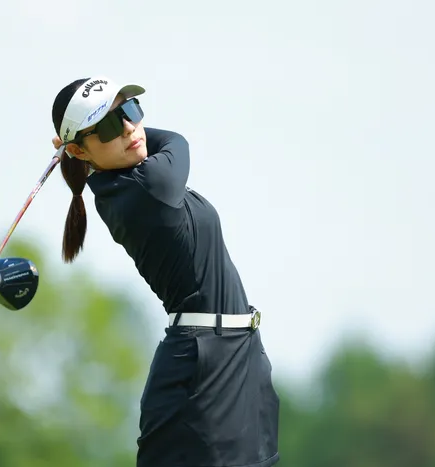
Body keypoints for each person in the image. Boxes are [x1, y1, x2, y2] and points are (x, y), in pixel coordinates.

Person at [50, 75, 280, 467]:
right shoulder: (149, 185)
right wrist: (76, 150)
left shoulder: (125, 181)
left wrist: (83, 148)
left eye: (130, 110)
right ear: (78, 149)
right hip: (201, 367)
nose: (129, 128)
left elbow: (141, 139)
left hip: (236, 352)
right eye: (108, 126)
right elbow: (176, 140)